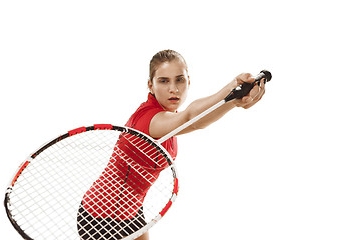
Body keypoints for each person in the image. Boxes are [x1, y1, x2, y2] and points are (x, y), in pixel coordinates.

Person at [77, 50, 266, 240]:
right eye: (164, 81)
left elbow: (195, 117)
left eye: (179, 80)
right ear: (151, 85)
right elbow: (192, 118)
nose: (173, 89)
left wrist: (234, 101)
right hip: (101, 215)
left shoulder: (168, 117)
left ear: (188, 81)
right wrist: (231, 89)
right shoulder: (149, 119)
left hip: (131, 211)